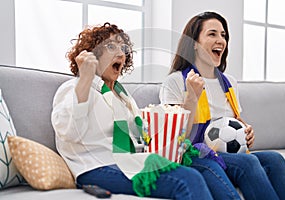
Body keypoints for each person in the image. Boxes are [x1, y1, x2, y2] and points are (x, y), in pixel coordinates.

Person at [51, 22, 241, 200]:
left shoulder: (123, 97)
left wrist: (190, 99)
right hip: (95, 167)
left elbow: (148, 137)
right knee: (187, 179)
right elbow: (69, 133)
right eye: (111, 47)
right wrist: (85, 78)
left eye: (123, 49)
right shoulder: (74, 88)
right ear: (93, 54)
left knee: (197, 170)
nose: (120, 53)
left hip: (129, 161)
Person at [159, 11, 285, 200]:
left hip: (226, 153)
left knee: (276, 160)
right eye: (212, 34)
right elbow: (176, 138)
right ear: (195, 44)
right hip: (193, 154)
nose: (221, 40)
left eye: (223, 35)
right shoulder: (175, 82)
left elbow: (235, 121)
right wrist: (192, 97)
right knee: (247, 163)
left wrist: (246, 131)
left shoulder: (228, 82)